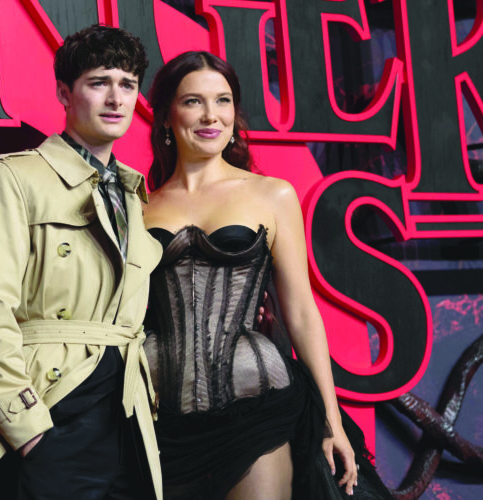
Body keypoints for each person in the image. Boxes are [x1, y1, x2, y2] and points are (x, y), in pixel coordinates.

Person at [142, 51, 393, 500]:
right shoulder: (139, 206)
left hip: (257, 410)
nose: (211, 115)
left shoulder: (272, 195)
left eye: (222, 101)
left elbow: (301, 312)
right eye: (193, 101)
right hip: (161, 422)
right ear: (165, 116)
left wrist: (332, 421)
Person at [0, 25, 164, 500]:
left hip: (128, 413)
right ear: (64, 92)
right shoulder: (13, 177)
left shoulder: (132, 191)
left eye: (127, 85)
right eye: (99, 82)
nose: (116, 98)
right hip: (54, 403)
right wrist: (30, 431)